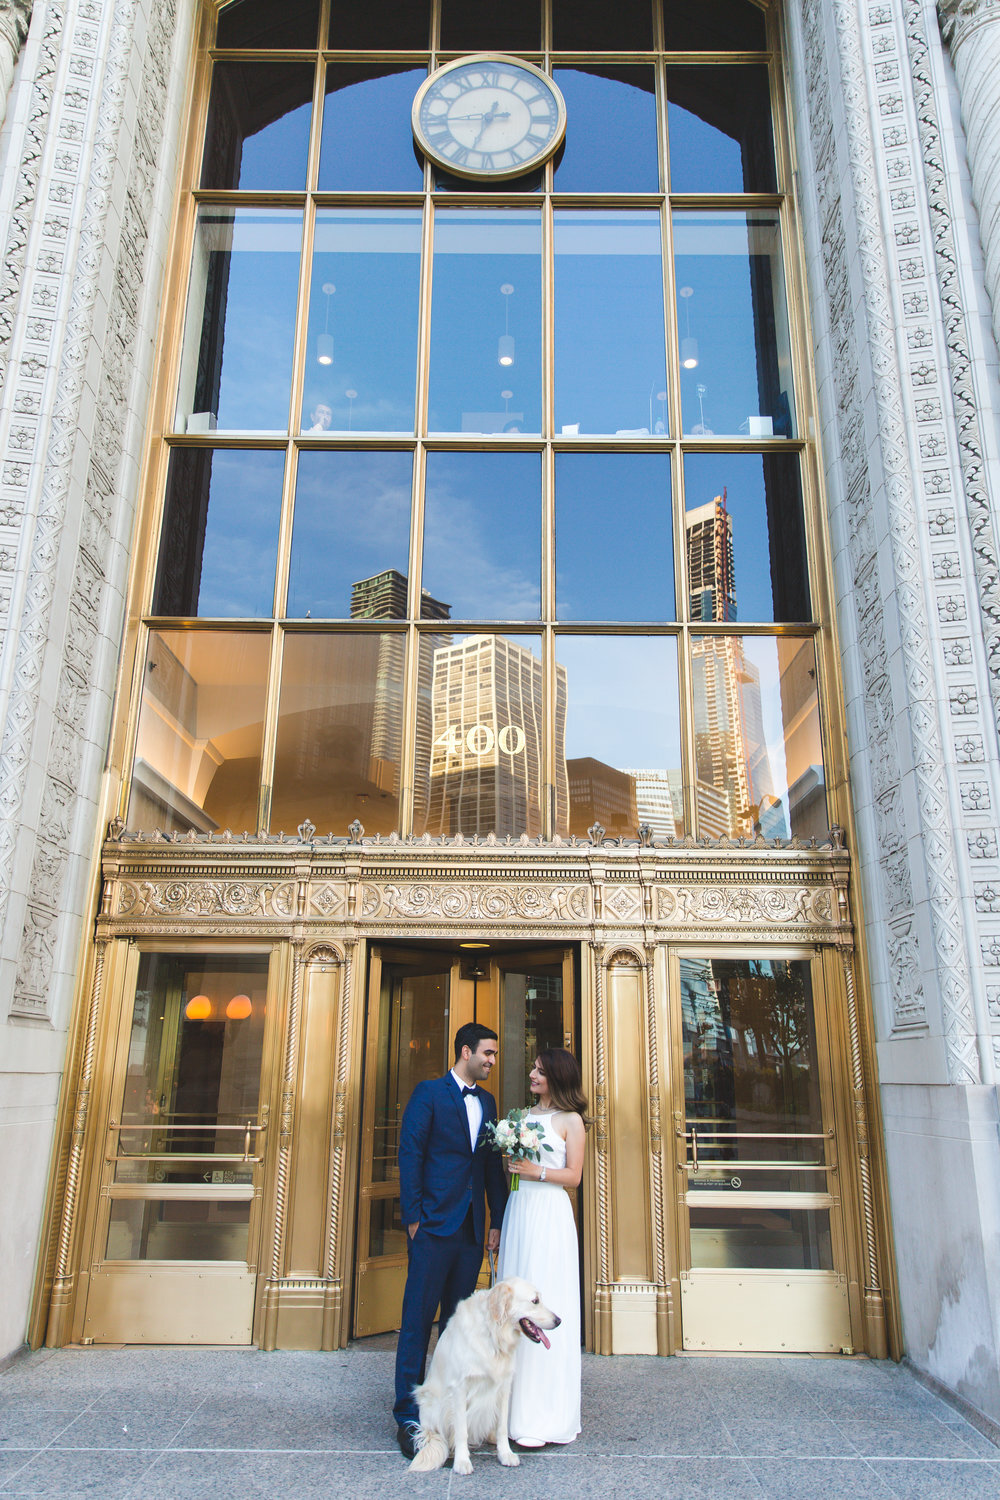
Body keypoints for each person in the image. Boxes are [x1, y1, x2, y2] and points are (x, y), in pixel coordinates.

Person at [393, 1022, 508, 1458]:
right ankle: (408, 1417)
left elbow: (491, 1166)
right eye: (488, 1054)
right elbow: (411, 1153)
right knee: (418, 1322)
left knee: (456, 1328)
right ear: (466, 1052)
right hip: (432, 1228)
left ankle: (447, 1412)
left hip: (470, 1232)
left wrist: (496, 1219)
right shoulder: (429, 1094)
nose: (492, 1061)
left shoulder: (488, 1102)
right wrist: (413, 1218)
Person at [498, 1047, 586, 1447]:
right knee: (515, 1302)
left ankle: (546, 1416)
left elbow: (574, 1176)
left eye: (540, 1071)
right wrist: (516, 1168)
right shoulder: (522, 1117)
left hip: (550, 1214)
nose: (532, 1074)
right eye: (533, 1068)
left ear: (557, 1078)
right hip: (520, 1208)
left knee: (546, 1296)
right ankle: (508, 1412)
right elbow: (518, 1168)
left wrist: (537, 1171)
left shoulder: (571, 1121)